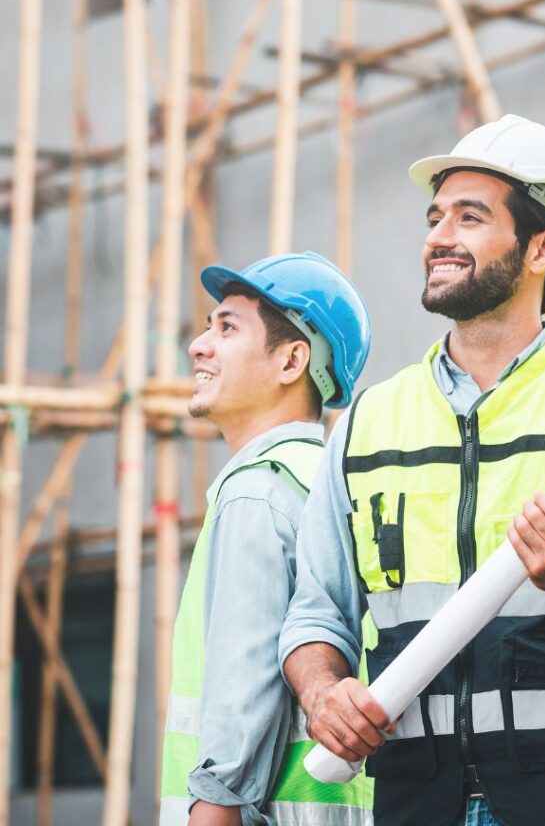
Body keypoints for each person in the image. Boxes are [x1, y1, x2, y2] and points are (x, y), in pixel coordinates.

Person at [279, 114, 545, 826]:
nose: (438, 237)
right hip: (416, 801)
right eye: (435, 217)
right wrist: (323, 692)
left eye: (470, 217)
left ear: (544, 245)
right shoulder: (367, 424)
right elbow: (315, 614)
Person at [160, 251, 373, 826]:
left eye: (227, 327)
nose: (198, 346)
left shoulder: (258, 490)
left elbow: (242, 682)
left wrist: (212, 808)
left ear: (291, 361)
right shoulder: (328, 483)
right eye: (208, 326)